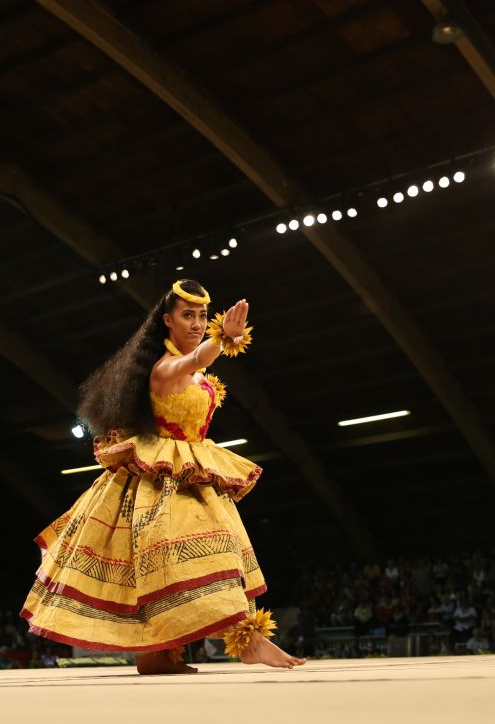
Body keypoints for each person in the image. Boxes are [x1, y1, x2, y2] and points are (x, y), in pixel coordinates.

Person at [19, 280, 305, 674]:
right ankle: (245, 640)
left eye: (203, 316)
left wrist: (220, 339)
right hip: (158, 483)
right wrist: (224, 338)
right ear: (166, 321)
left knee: (204, 556)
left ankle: (156, 654)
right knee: (206, 551)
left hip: (190, 475)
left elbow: (199, 367)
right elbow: (195, 361)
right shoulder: (164, 368)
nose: (197, 323)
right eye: (188, 315)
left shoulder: (194, 373)